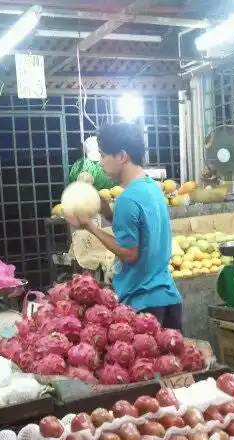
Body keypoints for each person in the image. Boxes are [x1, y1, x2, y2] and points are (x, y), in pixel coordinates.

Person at [65, 122, 183, 331]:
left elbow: (129, 253)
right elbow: (139, 229)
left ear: (122, 156)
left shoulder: (128, 199)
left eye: (103, 155)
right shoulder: (152, 188)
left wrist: (91, 227)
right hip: (167, 298)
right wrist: (107, 212)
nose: (100, 163)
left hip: (143, 304)